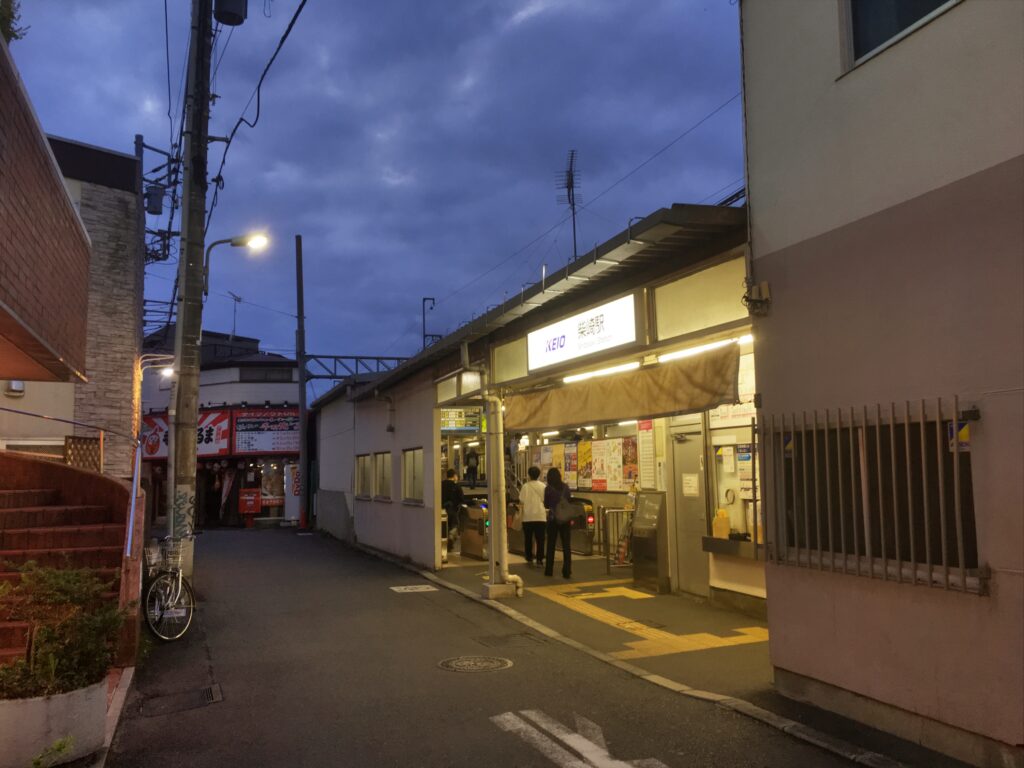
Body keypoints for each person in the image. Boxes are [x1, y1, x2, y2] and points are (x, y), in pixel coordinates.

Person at [543, 467, 573, 579]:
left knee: (551, 545)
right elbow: (569, 500)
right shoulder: (566, 487)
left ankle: (549, 570)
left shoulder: (548, 489)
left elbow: (546, 505)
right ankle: (566, 571)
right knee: (566, 546)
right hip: (565, 520)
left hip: (553, 519)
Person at [519, 466, 547, 567]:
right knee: (540, 539)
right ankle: (539, 559)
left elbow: (521, 500)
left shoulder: (525, 486)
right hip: (540, 516)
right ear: (538, 475)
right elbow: (545, 499)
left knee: (528, 538)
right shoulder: (543, 486)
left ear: (529, 475)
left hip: (528, 516)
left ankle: (529, 557)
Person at [441, 469, 464, 537]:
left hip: (442, 509)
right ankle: (451, 538)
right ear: (454, 476)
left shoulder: (441, 484)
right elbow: (461, 499)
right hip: (452, 510)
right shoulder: (456, 486)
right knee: (454, 526)